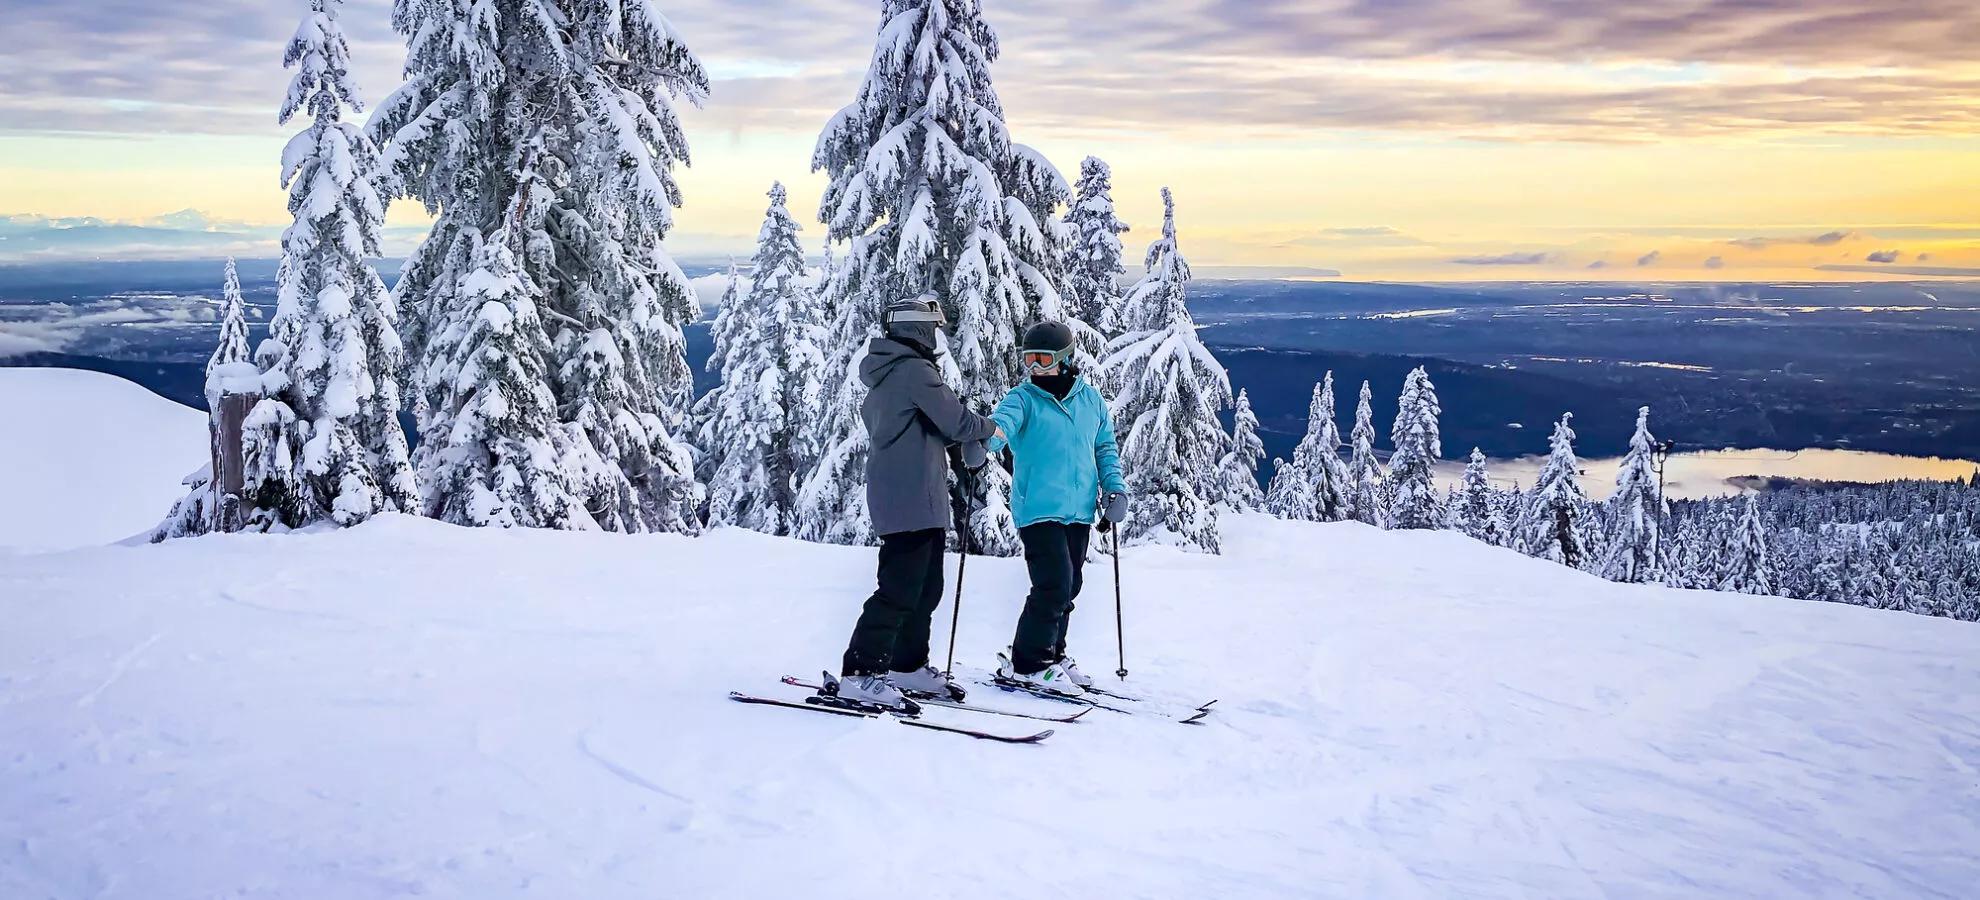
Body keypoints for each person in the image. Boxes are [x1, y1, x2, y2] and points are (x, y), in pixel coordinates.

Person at [833, 295, 999, 712]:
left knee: (924, 588)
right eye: (934, 327)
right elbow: (956, 420)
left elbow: (922, 429)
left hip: (913, 496)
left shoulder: (893, 373)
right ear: (919, 330)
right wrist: (991, 428)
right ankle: (861, 672)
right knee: (901, 588)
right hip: (909, 497)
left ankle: (907, 665)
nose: (937, 335)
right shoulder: (913, 371)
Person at [987, 321, 1129, 697]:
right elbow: (1001, 426)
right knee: (1053, 584)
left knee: (1071, 585)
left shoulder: (1090, 401)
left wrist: (1115, 489)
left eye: (1042, 359)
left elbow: (1104, 449)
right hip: (1037, 507)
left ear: (1066, 360)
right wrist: (987, 439)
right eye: (1028, 359)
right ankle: (1029, 663)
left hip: (1078, 510)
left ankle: (1053, 651)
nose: (1033, 367)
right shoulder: (1023, 399)